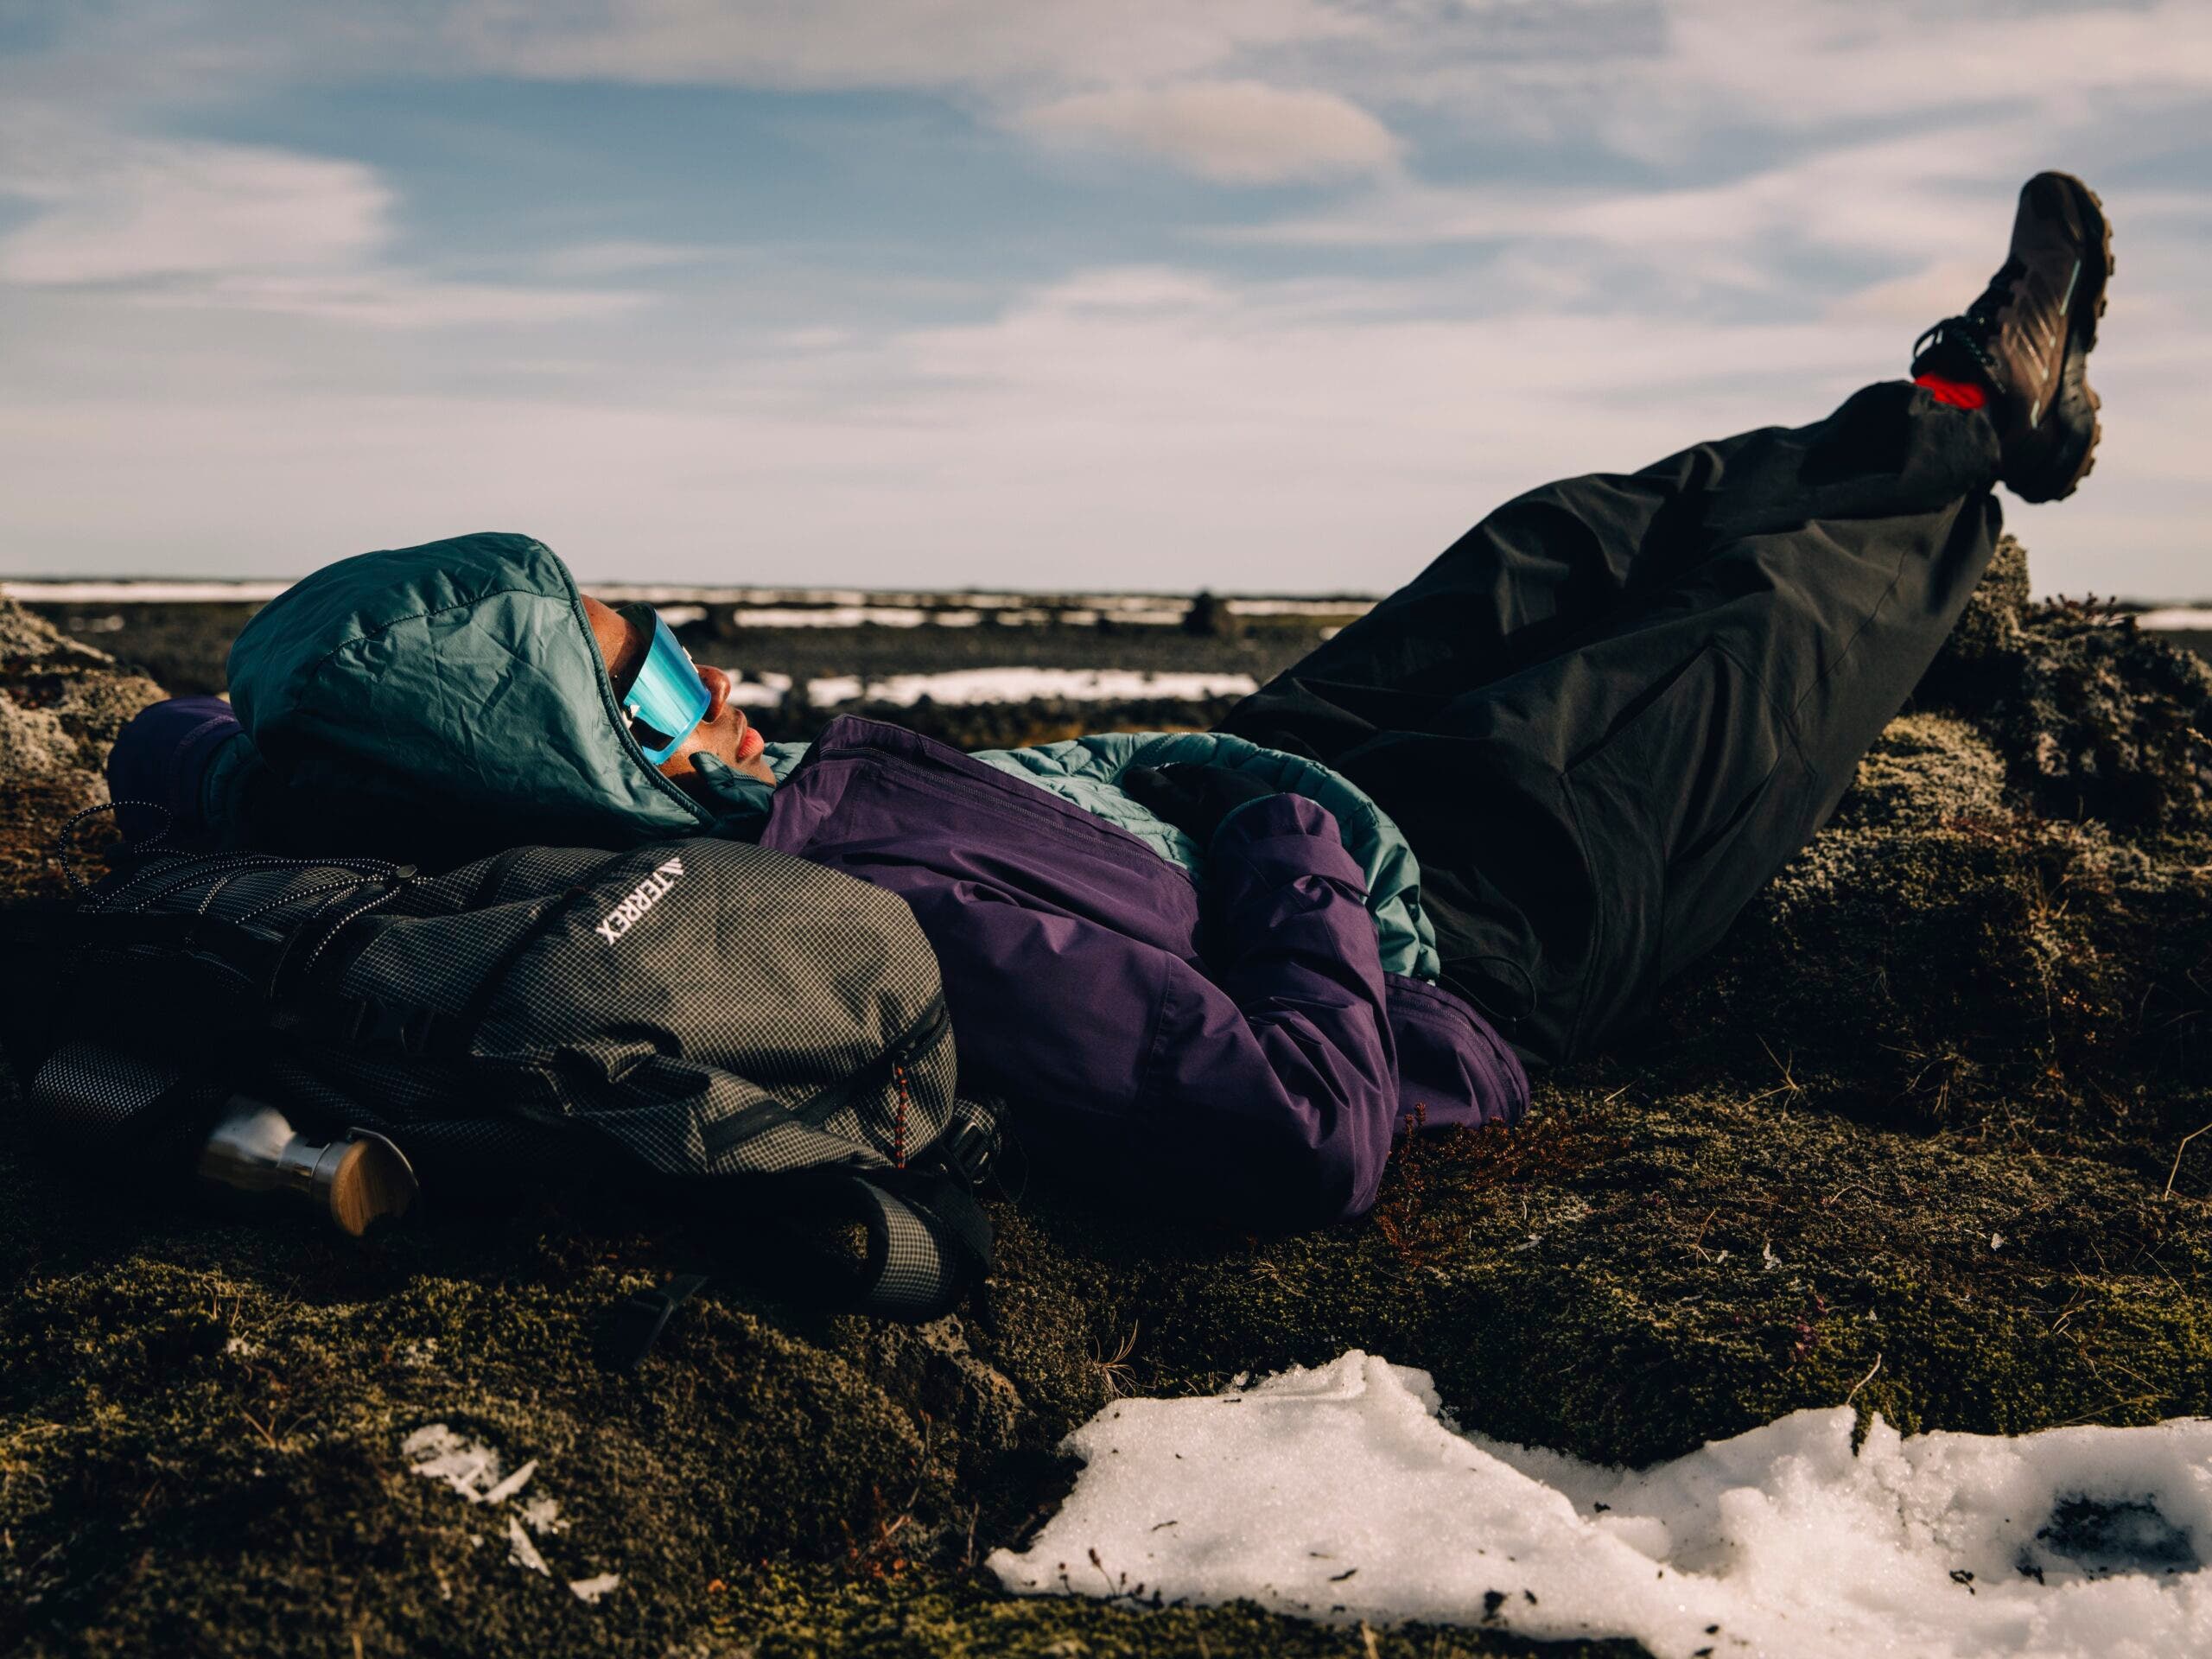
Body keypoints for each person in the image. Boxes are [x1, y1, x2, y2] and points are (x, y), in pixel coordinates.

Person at [106, 172, 2111, 1231]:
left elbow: (215, 755)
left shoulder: (510, 812)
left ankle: (1922, 393)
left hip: (1237, 774)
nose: (716, 683)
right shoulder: (840, 929)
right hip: (1462, 930)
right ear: (598, 751)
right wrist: (1288, 848)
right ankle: (1981, 428)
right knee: (1752, 623)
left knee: (1562, 533)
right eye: (659, 674)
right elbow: (1300, 1135)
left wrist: (211, 760)